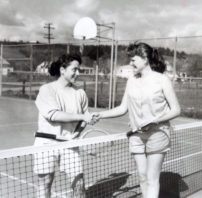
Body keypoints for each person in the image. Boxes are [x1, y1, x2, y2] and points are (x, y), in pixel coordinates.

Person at [93, 42, 181, 198]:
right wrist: (100, 115)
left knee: (152, 179)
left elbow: (176, 109)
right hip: (136, 135)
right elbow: (122, 108)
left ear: (145, 58)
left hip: (158, 133)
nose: (130, 63)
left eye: (133, 60)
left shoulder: (162, 80)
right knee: (142, 176)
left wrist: (155, 121)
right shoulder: (131, 80)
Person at [34, 54, 96, 198]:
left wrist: (79, 131)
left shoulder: (80, 93)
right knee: (46, 182)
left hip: (70, 143)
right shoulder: (47, 89)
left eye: (79, 70)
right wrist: (82, 117)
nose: (78, 73)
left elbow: (85, 118)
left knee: (79, 183)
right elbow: (54, 115)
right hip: (46, 143)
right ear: (63, 70)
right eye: (74, 69)